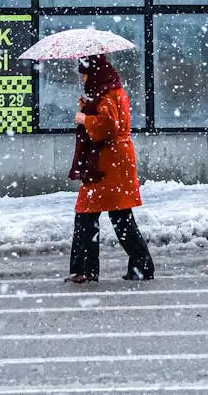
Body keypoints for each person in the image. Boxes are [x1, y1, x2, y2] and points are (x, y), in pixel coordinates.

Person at [66, 54, 155, 284]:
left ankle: (85, 271)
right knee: (120, 215)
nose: (82, 80)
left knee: (86, 215)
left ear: (94, 74)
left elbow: (106, 126)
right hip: (117, 161)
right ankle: (141, 266)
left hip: (106, 163)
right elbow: (111, 118)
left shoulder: (106, 96)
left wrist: (84, 118)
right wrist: (88, 107)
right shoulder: (114, 92)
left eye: (84, 75)